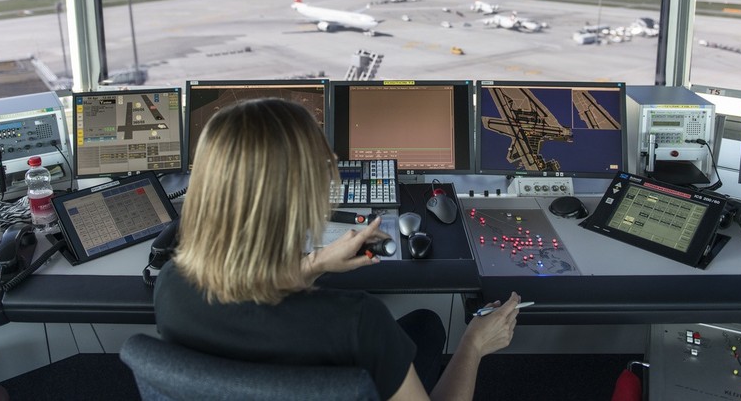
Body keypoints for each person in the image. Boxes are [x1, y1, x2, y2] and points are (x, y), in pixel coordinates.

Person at [154, 98, 521, 401]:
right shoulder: (358, 323)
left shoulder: (170, 286)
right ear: (306, 199)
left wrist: (313, 264)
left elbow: (247, 298)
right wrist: (473, 344)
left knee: (423, 328)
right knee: (427, 327)